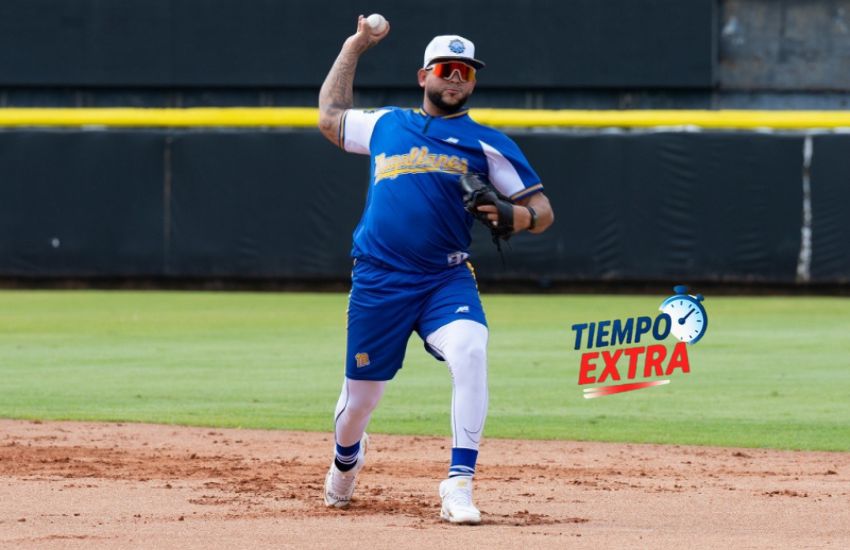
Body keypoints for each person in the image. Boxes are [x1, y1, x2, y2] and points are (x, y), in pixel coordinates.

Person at [317, 15, 554, 525]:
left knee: (470, 351)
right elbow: (330, 115)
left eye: (465, 71)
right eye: (446, 68)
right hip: (379, 279)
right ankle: (345, 461)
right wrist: (354, 47)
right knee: (360, 402)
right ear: (423, 76)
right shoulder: (385, 124)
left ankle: (459, 483)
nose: (456, 78)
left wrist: (520, 215)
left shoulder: (487, 143)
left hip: (445, 277)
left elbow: (543, 211)